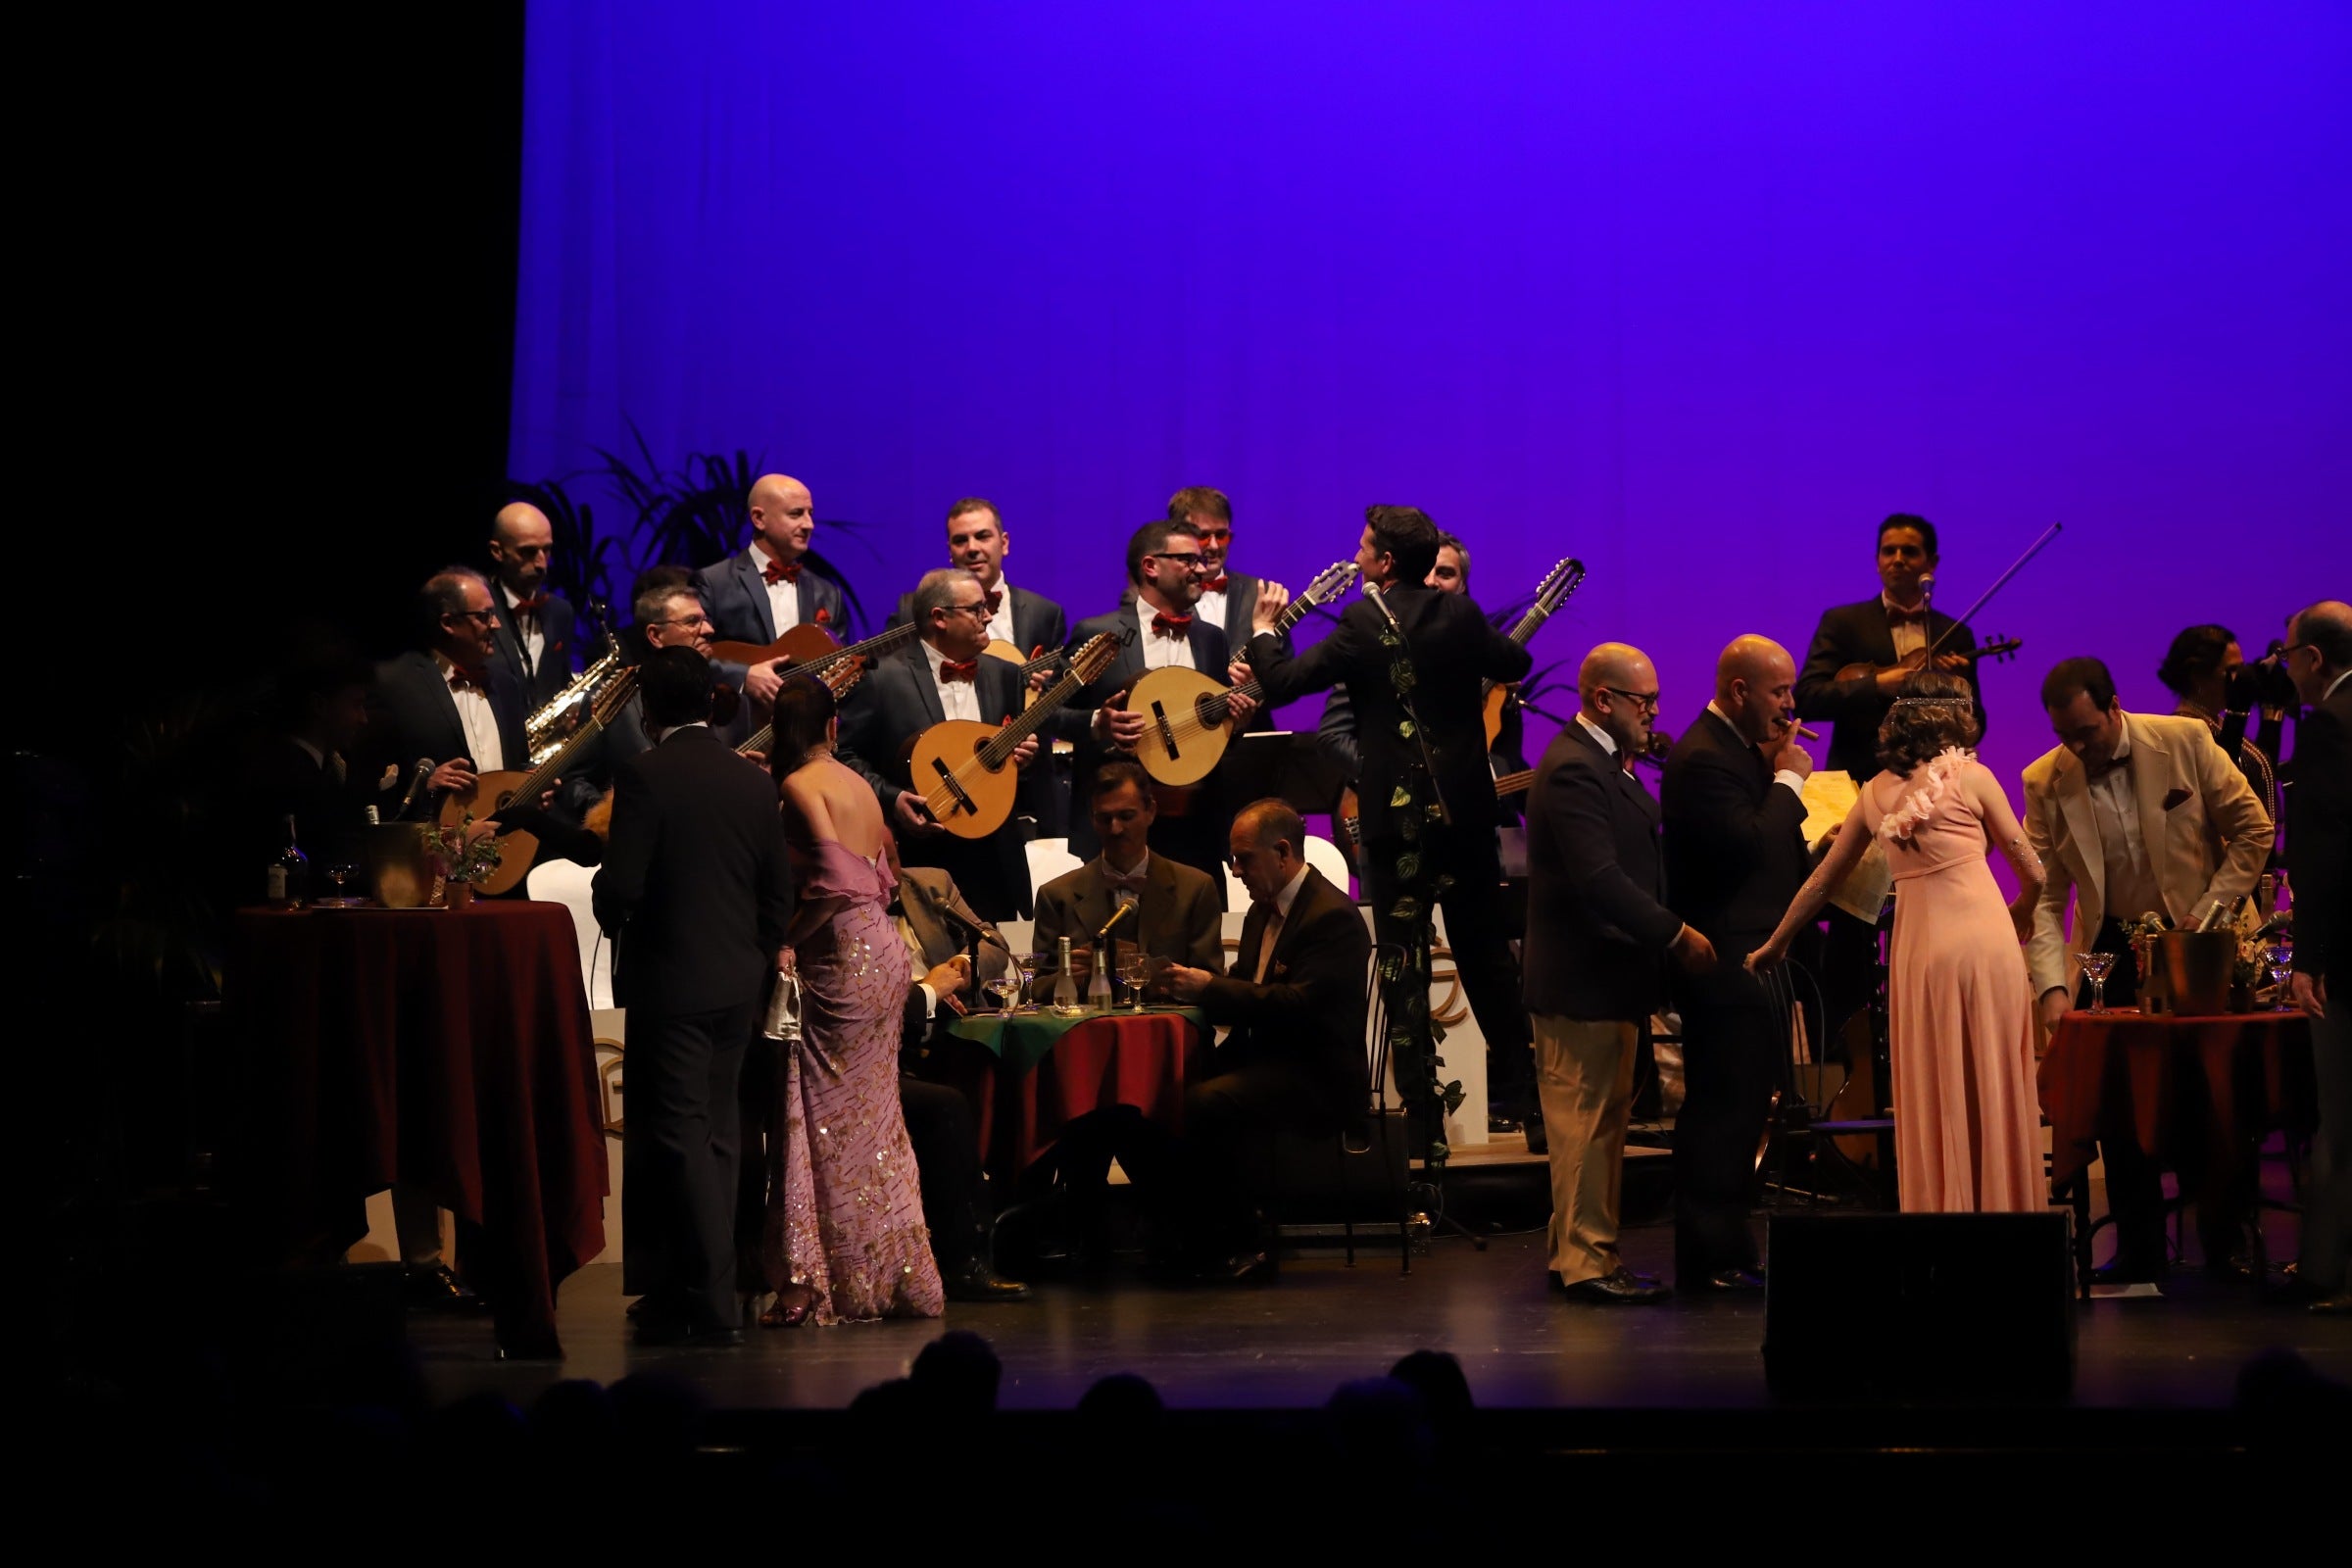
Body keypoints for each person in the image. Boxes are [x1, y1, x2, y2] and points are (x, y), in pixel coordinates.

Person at [1244, 507, 1536, 1139]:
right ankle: (1529, 1102)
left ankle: (1422, 1123)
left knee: (1402, 963)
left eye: (1365, 546)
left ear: (1386, 562)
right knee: (1485, 958)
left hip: (1396, 824)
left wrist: (1267, 629)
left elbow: (1284, 682)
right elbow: (1514, 662)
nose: (1357, 553)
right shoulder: (1457, 612)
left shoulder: (1362, 620)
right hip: (1461, 819)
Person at [1749, 672, 2046, 1211]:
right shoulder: (1973, 777)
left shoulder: (1873, 792)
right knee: (1991, 1068)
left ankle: (1942, 1205)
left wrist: (1777, 941)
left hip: (1919, 948)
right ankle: (2003, 1206)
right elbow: (2034, 869)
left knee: (1935, 1076)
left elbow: (1821, 881)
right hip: (1982, 937)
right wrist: (2023, 908)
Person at [2022, 655, 2273, 1281]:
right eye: (2065, 736)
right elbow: (2048, 896)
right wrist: (2053, 988)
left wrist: (2209, 916)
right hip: (2115, 950)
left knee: (2212, 1098)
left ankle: (2226, 1242)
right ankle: (2138, 1249)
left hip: (2201, 945)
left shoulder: (2184, 739)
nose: (2078, 747)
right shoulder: (2045, 779)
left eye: (2088, 731)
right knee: (2119, 1108)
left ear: (2114, 706)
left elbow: (2252, 831)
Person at [592, 647, 794, 1347]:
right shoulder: (750, 779)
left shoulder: (645, 774)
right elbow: (778, 893)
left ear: (646, 710)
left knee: (681, 1138)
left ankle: (707, 1300)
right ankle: (702, 1288)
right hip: (738, 980)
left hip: (673, 982)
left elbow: (621, 887)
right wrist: (756, 957)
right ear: (712, 702)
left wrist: (605, 904)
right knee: (718, 1136)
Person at [1524, 643, 1716, 1303]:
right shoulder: (1577, 769)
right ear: (1602, 700)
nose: (1653, 713)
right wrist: (1676, 933)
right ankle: (1587, 1264)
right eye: (1644, 702)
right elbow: (1600, 879)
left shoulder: (1611, 766)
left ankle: (1576, 1253)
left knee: (1597, 1123)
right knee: (1583, 1126)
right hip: (1581, 981)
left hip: (1607, 981)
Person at [760, 673, 946, 1325]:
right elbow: (882, 877)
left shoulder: (796, 786)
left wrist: (787, 937)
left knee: (829, 1122)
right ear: (833, 727)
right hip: (884, 952)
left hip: (841, 958)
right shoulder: (861, 784)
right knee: (875, 1121)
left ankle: (836, 1279)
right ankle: (895, 1274)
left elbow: (836, 886)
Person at [1660, 635, 1816, 1291]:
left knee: (1746, 1105)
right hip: (1726, 962)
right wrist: (1790, 777)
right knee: (1724, 1108)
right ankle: (1712, 1256)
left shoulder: (1738, 752)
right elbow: (1748, 843)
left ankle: (1727, 1249)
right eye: (1779, 691)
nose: (1790, 704)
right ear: (1740, 690)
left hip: (1755, 956)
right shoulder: (1704, 758)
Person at [1795, 514, 1986, 1046]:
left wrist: (1954, 685)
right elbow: (1810, 695)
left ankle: (1928, 1034)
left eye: (1910, 552)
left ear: (1932, 564)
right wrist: (1883, 683)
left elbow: (1977, 726)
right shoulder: (1843, 622)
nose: (1898, 560)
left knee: (1924, 915)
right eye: (1888, 551)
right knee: (1852, 932)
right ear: (1877, 559)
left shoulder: (1955, 631)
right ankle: (1844, 1051)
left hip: (1930, 798)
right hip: (1859, 790)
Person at [1162, 799, 1373, 1279]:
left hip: (1318, 1076)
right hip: (1270, 1059)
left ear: (1282, 852)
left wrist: (1208, 987)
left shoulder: (1330, 917)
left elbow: (1299, 1008)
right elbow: (1247, 990)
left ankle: (1248, 1243)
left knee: (1208, 1102)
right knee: (1164, 1086)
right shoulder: (1264, 909)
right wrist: (1176, 990)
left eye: (1244, 859)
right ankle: (1191, 1234)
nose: (1235, 871)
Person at [1052, 518, 1258, 889]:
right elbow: (1044, 714)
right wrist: (1097, 722)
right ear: (1151, 566)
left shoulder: (1211, 639)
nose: (1201, 568)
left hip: (1195, 826)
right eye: (1188, 560)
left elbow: (1211, 733)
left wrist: (1237, 723)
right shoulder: (1099, 633)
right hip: (1118, 825)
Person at [834, 566, 1048, 920]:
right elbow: (844, 755)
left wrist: (1020, 761)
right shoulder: (882, 680)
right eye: (977, 609)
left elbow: (1008, 765)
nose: (988, 617)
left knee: (999, 969)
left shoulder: (1005, 674)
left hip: (993, 858)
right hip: (923, 855)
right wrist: (893, 798)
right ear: (940, 618)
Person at [886, 856, 1032, 1301]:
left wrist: (964, 967)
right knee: (945, 1106)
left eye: (892, 858)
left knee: (1008, 1069)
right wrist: (926, 991)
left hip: (938, 1039)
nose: (889, 874)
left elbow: (993, 944)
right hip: (881, 1057)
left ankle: (1017, 1233)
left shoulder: (928, 884)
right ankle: (963, 1258)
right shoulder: (837, 906)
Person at [2282, 601, 2352, 1314]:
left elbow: (2328, 853)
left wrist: (2310, 954)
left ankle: (2329, 1274)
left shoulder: (2330, 725)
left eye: (2288, 655)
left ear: (2314, 660)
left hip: (2348, 948)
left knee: (2342, 1118)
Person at [1033, 760, 1224, 974]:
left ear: (1150, 811)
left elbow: (1209, 982)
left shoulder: (1196, 889)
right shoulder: (1056, 896)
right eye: (1105, 819)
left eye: (1126, 816)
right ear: (1091, 820)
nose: (1115, 829)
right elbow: (1037, 988)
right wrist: (1071, 978)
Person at [889, 497, 1069, 661]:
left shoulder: (1045, 614)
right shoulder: (911, 609)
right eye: (960, 541)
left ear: (1004, 543)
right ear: (950, 551)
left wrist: (1045, 686)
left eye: (982, 536)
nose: (972, 548)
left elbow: (1058, 683)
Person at [695, 472, 847, 650]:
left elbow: (840, 664)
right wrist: (745, 675)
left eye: (810, 514)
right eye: (796, 514)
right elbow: (693, 657)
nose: (809, 525)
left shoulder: (828, 594)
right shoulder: (713, 582)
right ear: (759, 519)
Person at [2157, 623, 2281, 826]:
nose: (2240, 678)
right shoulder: (2185, 732)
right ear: (2197, 676)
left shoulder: (2217, 723)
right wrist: (2238, 712)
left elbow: (2256, 773)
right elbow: (2221, 788)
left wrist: (2272, 712)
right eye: (2232, 670)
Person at [1170, 485, 1288, 678]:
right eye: (1203, 536)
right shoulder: (1160, 596)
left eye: (1221, 535)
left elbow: (1286, 678)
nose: (1215, 546)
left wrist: (1257, 689)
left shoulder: (1260, 594)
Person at [485, 501, 580, 709]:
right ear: (497, 551)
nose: (541, 564)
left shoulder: (560, 611)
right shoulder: (478, 611)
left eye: (546, 550)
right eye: (528, 552)